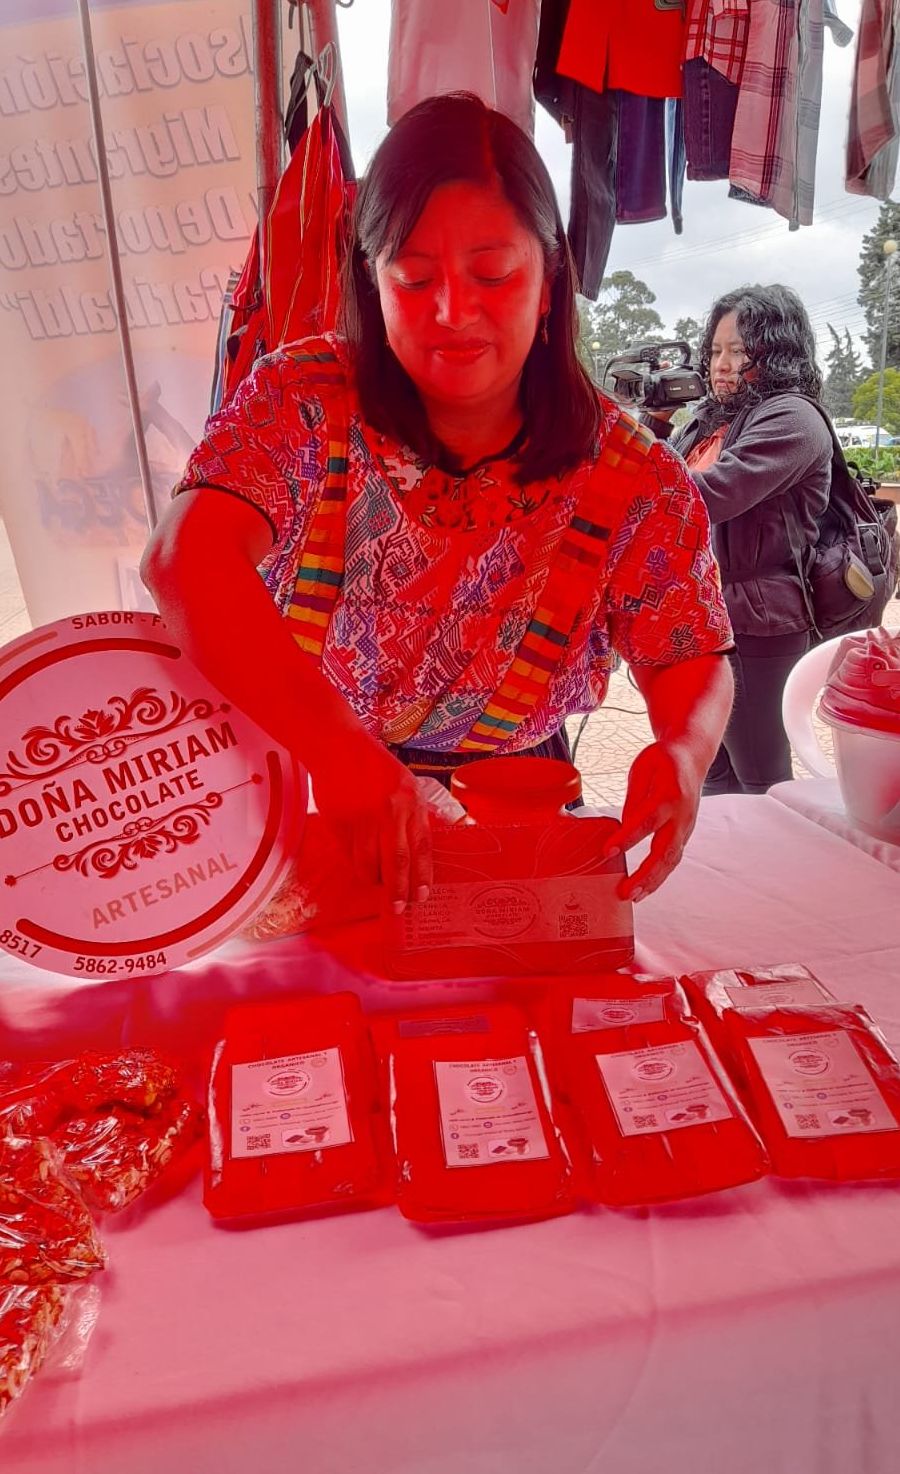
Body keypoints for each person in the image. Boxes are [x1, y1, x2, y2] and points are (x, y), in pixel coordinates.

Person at [142, 93, 734, 910]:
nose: (454, 312)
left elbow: (687, 647)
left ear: (550, 280)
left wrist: (684, 748)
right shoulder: (301, 400)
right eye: (415, 279)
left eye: (493, 274)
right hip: (310, 779)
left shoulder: (629, 473)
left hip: (513, 802)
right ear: (372, 281)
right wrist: (341, 756)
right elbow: (185, 561)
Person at [672, 285, 833, 795]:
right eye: (716, 350)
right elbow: (664, 487)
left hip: (756, 624)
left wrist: (621, 460)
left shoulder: (793, 418)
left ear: (776, 352)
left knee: (761, 779)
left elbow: (711, 493)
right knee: (708, 773)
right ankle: (722, 869)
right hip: (700, 618)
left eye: (738, 351)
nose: (722, 364)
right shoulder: (709, 420)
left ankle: (776, 873)